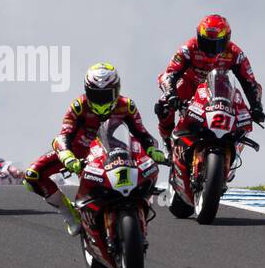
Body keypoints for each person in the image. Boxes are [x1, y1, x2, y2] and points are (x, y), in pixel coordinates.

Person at [24, 63, 166, 217]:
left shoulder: (127, 106)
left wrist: (152, 150)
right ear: (87, 91)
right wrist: (67, 155)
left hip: (112, 150)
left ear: (116, 91)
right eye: (95, 95)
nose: (101, 101)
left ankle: (142, 201)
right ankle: (69, 213)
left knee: (144, 163)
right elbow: (64, 134)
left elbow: (142, 133)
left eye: (105, 95)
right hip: (79, 152)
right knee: (32, 175)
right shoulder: (78, 106)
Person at [155, 14, 263, 151]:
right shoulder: (187, 49)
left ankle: (232, 147)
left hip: (219, 89)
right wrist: (171, 94)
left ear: (227, 40)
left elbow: (250, 82)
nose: (211, 50)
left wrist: (256, 107)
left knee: (240, 104)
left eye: (216, 45)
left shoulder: (235, 54)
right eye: (206, 43)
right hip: (189, 86)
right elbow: (169, 74)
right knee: (163, 104)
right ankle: (167, 142)